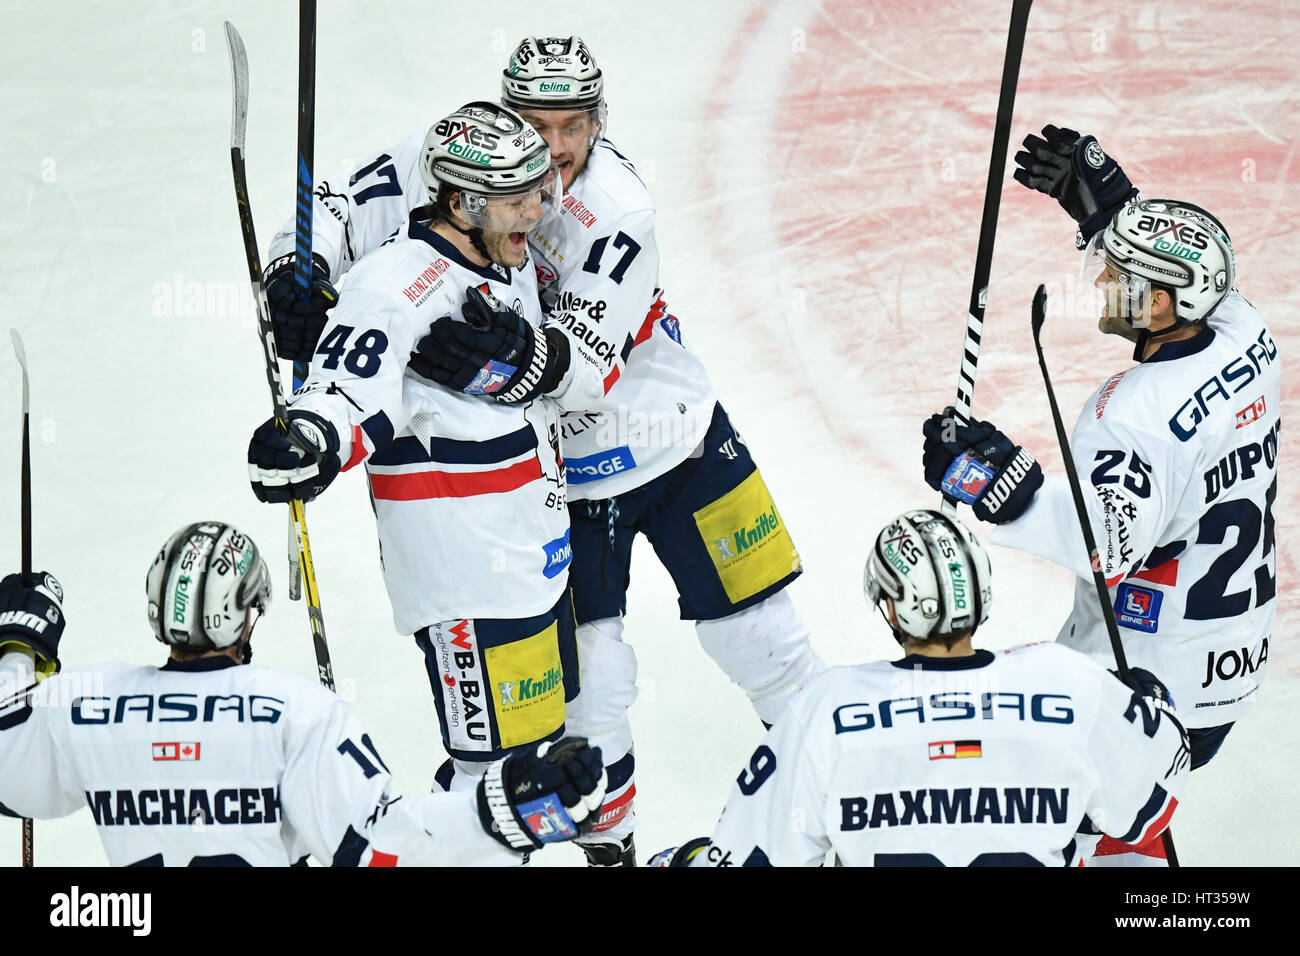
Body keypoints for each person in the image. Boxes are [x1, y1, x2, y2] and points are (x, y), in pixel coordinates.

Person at [261, 35, 825, 866]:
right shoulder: (461, 158)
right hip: (567, 485)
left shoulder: (619, 206)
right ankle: (614, 850)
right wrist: (297, 271)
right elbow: (338, 202)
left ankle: (849, 796)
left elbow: (583, 367)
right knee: (595, 686)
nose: (554, 150)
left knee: (766, 640)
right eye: (535, 122)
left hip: (681, 437)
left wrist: (509, 360)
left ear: (599, 120)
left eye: (572, 126)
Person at [920, 127, 1279, 865]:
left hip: (1146, 681)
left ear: (1162, 306)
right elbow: (1196, 270)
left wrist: (994, 481)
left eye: (1121, 275)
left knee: (1022, 803)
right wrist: (1113, 207)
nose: (1102, 280)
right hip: (1229, 662)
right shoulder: (1249, 336)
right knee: (1117, 801)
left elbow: (1105, 546)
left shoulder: (1131, 415)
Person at [246, 102, 585, 801]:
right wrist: (308, 438)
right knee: (493, 790)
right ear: (461, 202)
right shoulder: (395, 285)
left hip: (531, 564)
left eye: (538, 190)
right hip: (468, 582)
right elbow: (346, 389)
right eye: (518, 198)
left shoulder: (497, 248)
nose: (537, 211)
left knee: (523, 765)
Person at [0, 522, 606, 866]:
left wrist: (17, 648)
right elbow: (381, 851)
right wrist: (502, 810)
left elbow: (8, 772)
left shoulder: (84, 705)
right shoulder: (298, 714)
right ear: (246, 613)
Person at [650, 509, 1190, 867]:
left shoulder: (826, 710)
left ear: (889, 606)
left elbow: (749, 858)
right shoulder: (1070, 683)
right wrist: (1149, 702)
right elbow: (1154, 796)